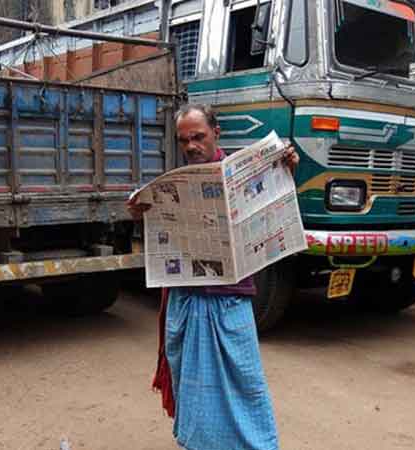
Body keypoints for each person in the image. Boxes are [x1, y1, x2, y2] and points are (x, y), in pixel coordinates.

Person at [127, 104, 299, 450]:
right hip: (186, 302)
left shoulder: (241, 173)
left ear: (215, 133)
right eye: (184, 140)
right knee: (192, 386)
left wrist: (287, 169)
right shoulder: (177, 181)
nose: (191, 146)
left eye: (198, 137)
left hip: (229, 301)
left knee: (245, 383)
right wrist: (139, 213)